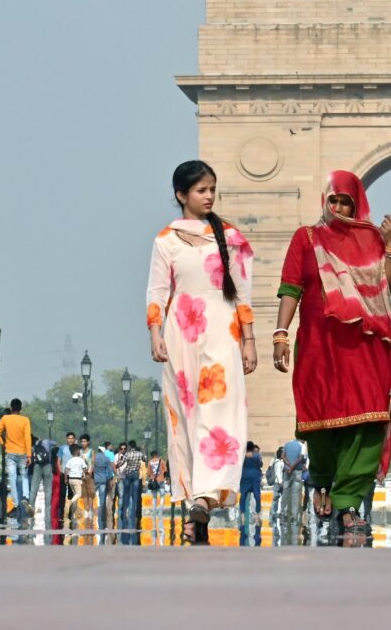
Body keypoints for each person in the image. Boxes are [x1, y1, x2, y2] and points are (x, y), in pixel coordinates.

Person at [273, 170, 391, 538]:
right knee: (323, 423)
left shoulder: (371, 239)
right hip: (319, 347)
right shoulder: (307, 238)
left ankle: (347, 505)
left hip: (365, 344)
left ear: (358, 203)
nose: (340, 207)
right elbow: (290, 286)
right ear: (325, 201)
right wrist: (281, 334)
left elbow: (387, 285)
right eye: (335, 200)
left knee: (366, 421)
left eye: (347, 200)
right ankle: (325, 483)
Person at [146, 160, 257, 544]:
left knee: (220, 415)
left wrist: (249, 339)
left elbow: (243, 293)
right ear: (181, 195)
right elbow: (157, 291)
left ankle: (205, 498)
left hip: (222, 330)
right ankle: (199, 503)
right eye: (200, 190)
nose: (209, 196)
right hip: (181, 333)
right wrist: (155, 332)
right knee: (189, 418)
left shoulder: (232, 238)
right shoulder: (166, 240)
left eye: (212, 188)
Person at [0, 398, 32, 522]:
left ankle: (15, 503)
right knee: (24, 475)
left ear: (11, 408)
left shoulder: (5, 419)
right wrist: (29, 455)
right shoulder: (25, 420)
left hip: (10, 452)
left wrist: (3, 444)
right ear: (20, 409)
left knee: (12, 477)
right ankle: (26, 496)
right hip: (22, 452)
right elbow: (27, 438)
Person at [29, 436, 56, 541]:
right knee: (48, 491)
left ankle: (31, 509)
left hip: (37, 466)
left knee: (33, 489)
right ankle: (47, 514)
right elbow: (55, 443)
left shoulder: (34, 445)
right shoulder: (47, 441)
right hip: (47, 466)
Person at [118, 440, 145, 545]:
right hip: (135, 475)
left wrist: (118, 464)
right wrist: (142, 451)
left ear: (129, 446)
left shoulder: (128, 454)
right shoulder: (139, 454)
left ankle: (126, 510)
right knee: (135, 495)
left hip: (128, 474)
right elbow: (144, 459)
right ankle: (133, 512)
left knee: (126, 494)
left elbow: (122, 463)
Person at [279, 438, 305, 544]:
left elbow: (283, 456)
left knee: (285, 492)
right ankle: (294, 517)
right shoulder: (302, 445)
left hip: (287, 471)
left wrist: (289, 465)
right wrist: (293, 466)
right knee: (295, 495)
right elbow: (301, 458)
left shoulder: (287, 443)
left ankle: (283, 513)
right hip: (297, 472)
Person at [238, 441, 263, 546]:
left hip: (244, 476)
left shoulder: (242, 456)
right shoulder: (256, 456)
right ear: (253, 448)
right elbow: (260, 464)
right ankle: (257, 514)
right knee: (257, 495)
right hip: (255, 477)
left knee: (243, 496)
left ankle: (243, 514)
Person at [91, 442, 115, 544]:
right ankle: (101, 515)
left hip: (95, 480)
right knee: (102, 501)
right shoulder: (106, 459)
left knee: (92, 498)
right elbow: (109, 471)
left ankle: (91, 513)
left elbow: (91, 469)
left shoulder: (94, 458)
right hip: (103, 481)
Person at [63, 443, 87, 543]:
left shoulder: (70, 460)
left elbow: (66, 470)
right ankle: (70, 502)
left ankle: (72, 513)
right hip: (77, 480)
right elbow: (85, 469)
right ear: (77, 451)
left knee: (74, 495)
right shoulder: (81, 460)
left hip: (70, 480)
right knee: (79, 494)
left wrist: (65, 479)